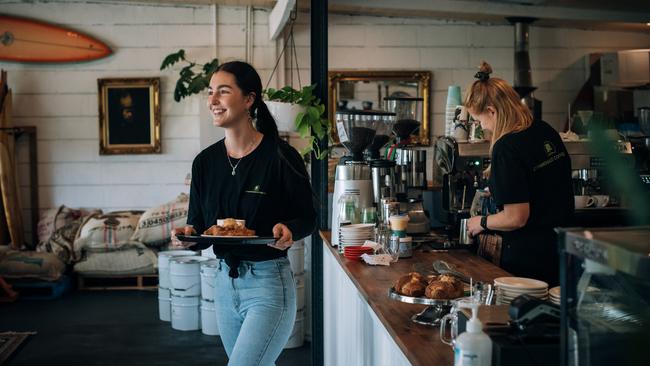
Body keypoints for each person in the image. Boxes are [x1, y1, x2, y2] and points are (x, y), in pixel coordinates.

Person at [171, 61, 317, 365]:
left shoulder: (281, 156)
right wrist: (187, 236)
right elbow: (198, 226)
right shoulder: (205, 163)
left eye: (223, 92)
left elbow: (309, 217)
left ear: (249, 99)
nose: (212, 101)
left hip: (268, 283)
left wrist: (290, 230)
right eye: (211, 93)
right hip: (223, 281)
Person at [465, 61, 573, 286]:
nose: (482, 127)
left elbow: (516, 217)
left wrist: (481, 222)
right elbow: (543, 185)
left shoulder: (506, 147)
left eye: (479, 121)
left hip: (527, 262)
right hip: (561, 250)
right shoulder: (545, 129)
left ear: (492, 111)